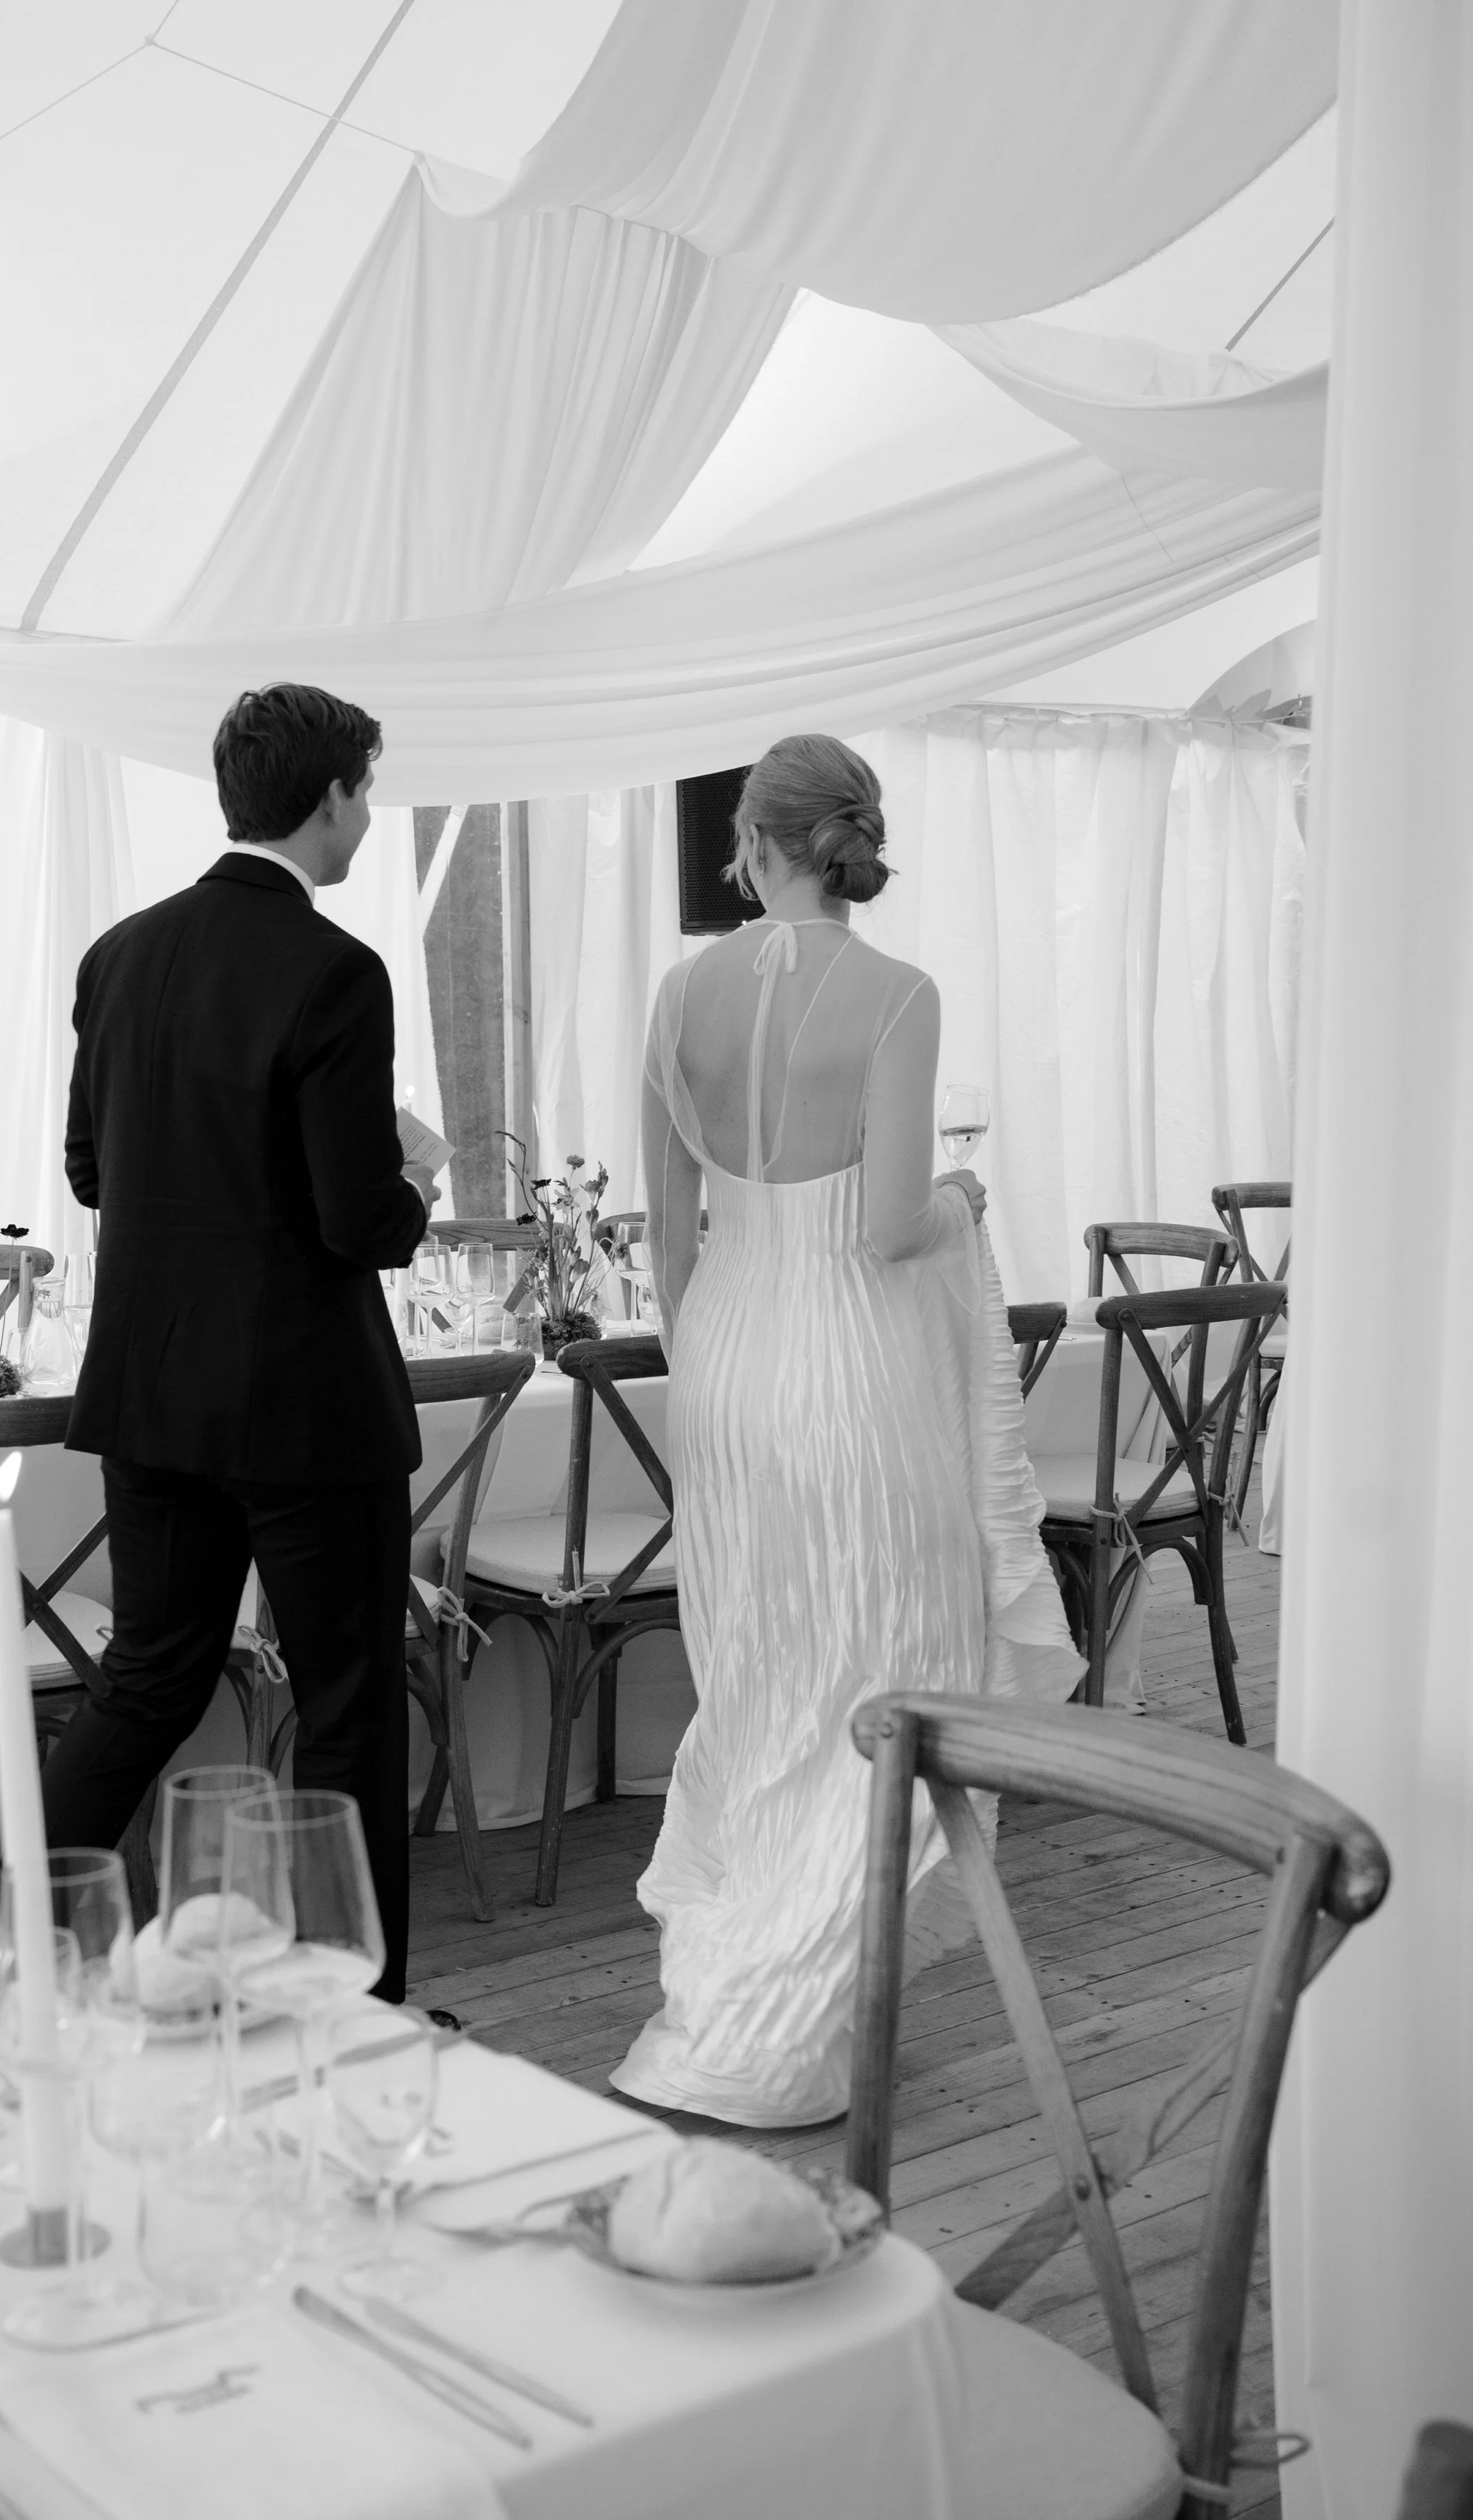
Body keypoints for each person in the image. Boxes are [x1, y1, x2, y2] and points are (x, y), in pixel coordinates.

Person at [612, 735, 1078, 2124]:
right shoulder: (897, 994)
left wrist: (708, 1352)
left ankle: (748, 1995)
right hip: (845, 1357)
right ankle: (790, 2016)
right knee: (882, 1657)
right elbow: (885, 1230)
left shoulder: (675, 992)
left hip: (729, 1352)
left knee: (756, 1679)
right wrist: (957, 1201)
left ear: (754, 843)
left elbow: (668, 1234)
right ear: (847, 842)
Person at [44, 683, 434, 2001]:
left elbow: (91, 1170)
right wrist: (415, 1185)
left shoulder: (120, 954)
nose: (369, 819)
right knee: (346, 1703)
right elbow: (358, 1221)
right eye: (366, 795)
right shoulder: (337, 970)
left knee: (148, 1679)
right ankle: (360, 2010)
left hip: (152, 1393)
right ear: (328, 798)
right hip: (306, 1406)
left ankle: (18, 1942)